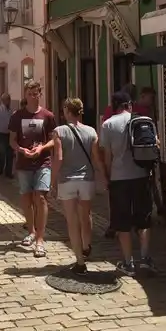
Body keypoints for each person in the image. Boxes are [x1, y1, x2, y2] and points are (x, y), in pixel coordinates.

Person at [100, 91, 156, 277]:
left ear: (114, 106)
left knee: (122, 222)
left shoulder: (108, 125)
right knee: (143, 218)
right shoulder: (144, 120)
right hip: (142, 176)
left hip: (119, 178)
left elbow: (107, 156)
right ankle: (146, 259)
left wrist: (107, 176)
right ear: (129, 105)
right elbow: (155, 144)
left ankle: (128, 262)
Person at [52, 98, 105, 275]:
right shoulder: (91, 131)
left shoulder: (59, 131)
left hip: (67, 180)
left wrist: (52, 180)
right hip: (86, 179)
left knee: (72, 221)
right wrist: (104, 177)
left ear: (68, 111)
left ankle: (80, 262)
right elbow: (97, 158)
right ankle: (86, 245)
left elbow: (59, 158)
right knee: (86, 214)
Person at [9, 80, 56, 258]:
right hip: (24, 163)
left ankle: (40, 240)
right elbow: (12, 140)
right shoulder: (17, 116)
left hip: (43, 162)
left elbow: (54, 140)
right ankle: (31, 231)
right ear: (25, 95)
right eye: (29, 94)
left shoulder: (47, 115)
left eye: (35, 94)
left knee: (41, 198)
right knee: (26, 198)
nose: (33, 97)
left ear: (40, 94)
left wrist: (42, 148)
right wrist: (21, 150)